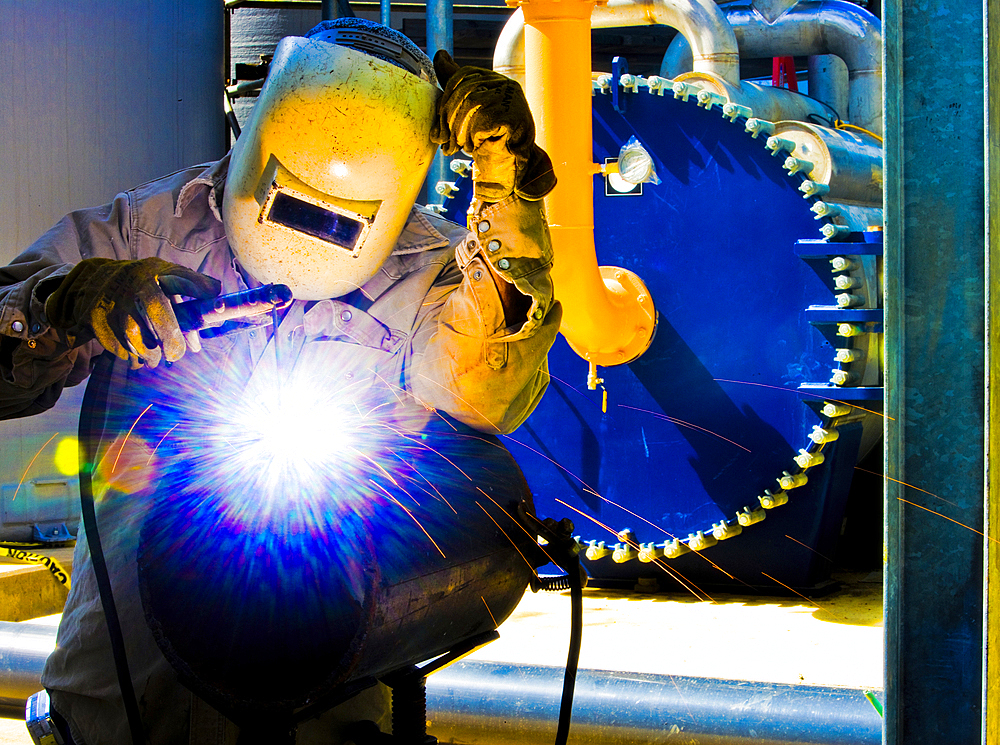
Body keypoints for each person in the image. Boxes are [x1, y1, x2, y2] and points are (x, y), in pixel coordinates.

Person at [0, 18, 560, 745]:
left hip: (320, 699)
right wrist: (63, 300)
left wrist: (507, 195)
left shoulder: (432, 271)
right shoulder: (143, 231)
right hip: (121, 699)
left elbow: (489, 393)